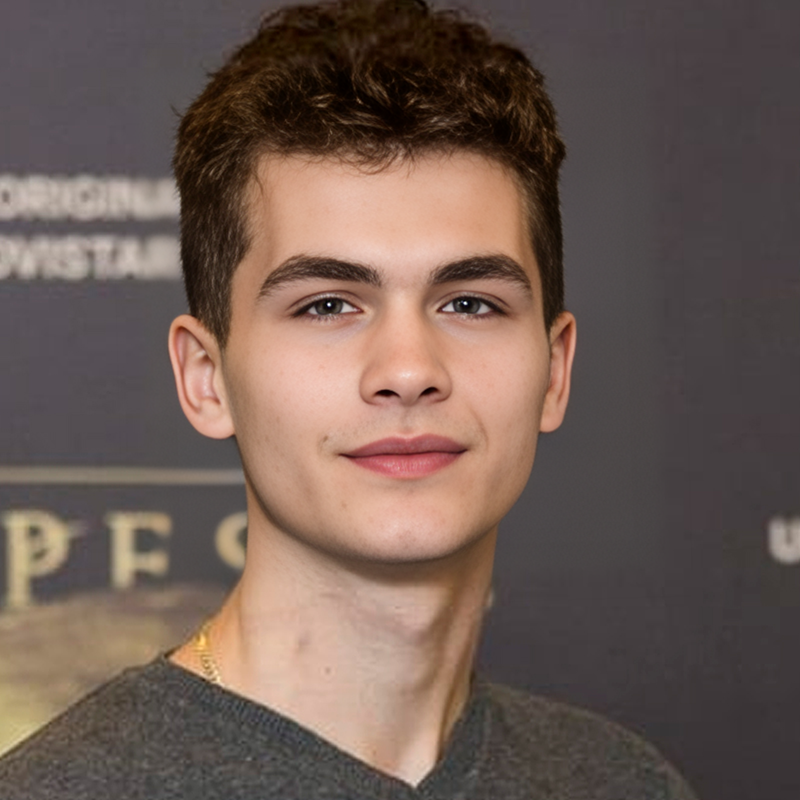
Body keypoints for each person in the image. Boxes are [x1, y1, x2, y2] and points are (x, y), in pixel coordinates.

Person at [0, 1, 698, 797]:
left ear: (556, 369)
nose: (408, 369)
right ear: (205, 377)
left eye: (470, 303)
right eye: (327, 305)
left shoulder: (623, 781)